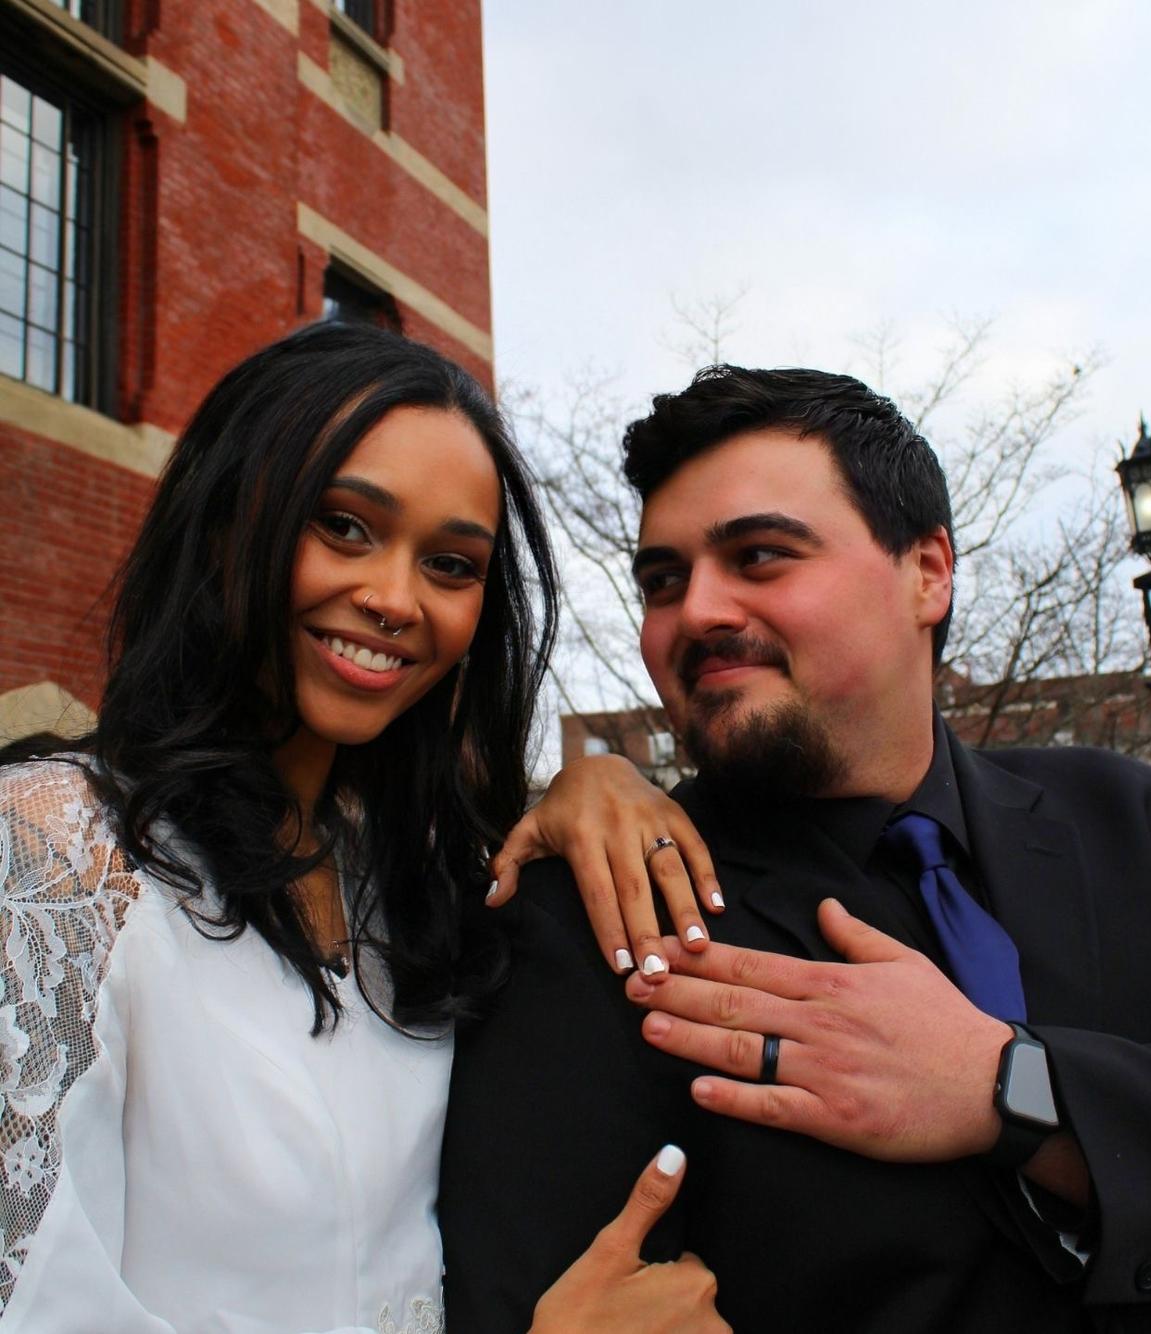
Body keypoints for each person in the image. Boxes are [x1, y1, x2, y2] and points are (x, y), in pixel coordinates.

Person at [440, 365, 1151, 1333]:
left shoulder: (1137, 823)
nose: (695, 611)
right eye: (663, 579)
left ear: (928, 571)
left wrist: (1012, 1088)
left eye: (759, 555)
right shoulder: (595, 913)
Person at [0, 323, 729, 1333]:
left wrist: (593, 781)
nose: (394, 599)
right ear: (226, 523)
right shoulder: (52, 853)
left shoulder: (411, 885)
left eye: (450, 563)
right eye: (343, 526)